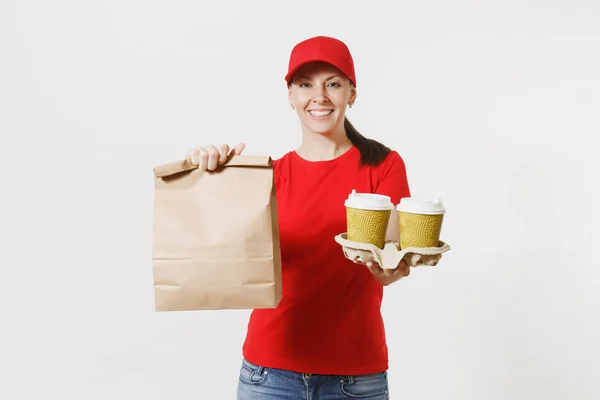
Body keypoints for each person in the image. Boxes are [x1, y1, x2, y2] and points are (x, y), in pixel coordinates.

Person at [187, 36, 412, 400]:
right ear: (290, 95)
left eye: (333, 84)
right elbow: (214, 244)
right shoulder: (267, 175)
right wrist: (206, 174)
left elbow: (392, 258)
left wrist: (389, 270)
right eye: (306, 84)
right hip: (269, 374)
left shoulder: (383, 166)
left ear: (351, 94)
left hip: (355, 378)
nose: (319, 97)